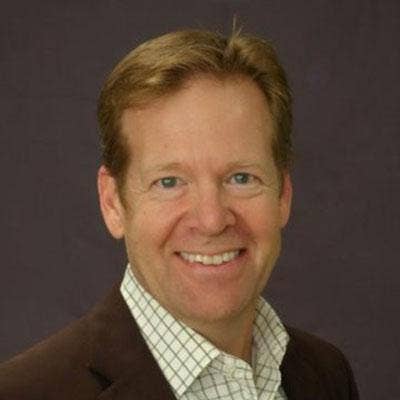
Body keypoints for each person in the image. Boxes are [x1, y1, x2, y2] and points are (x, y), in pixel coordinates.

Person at [0, 28, 359, 399]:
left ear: (282, 194)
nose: (211, 220)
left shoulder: (325, 375)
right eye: (169, 182)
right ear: (113, 202)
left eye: (241, 178)